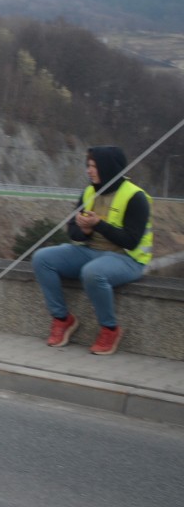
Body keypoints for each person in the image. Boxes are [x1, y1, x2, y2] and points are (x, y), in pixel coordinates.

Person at [31, 145, 152, 356]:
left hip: (127, 258)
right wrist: (85, 231)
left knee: (93, 272)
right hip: (91, 251)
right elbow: (73, 232)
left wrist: (98, 225)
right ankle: (62, 319)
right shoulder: (89, 192)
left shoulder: (135, 197)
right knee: (42, 258)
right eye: (88, 165)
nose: (89, 170)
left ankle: (110, 329)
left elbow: (131, 241)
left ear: (108, 167)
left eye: (94, 166)